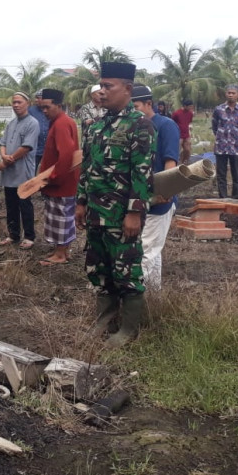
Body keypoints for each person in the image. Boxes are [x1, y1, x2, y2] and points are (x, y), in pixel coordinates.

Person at [75, 62, 154, 348]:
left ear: (128, 89)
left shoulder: (140, 125)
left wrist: (134, 212)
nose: (102, 91)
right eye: (101, 86)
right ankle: (105, 321)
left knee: (126, 271)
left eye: (109, 86)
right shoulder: (96, 126)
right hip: (96, 213)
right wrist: (81, 202)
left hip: (122, 216)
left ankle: (129, 329)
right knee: (99, 269)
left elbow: (141, 172)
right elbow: (87, 168)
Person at [132, 85, 179, 291]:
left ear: (148, 104)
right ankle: (153, 295)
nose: (132, 112)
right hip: (140, 198)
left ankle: (140, 301)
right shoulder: (135, 125)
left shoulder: (165, 125)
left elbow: (170, 162)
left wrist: (165, 192)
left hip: (160, 199)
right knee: (151, 249)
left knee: (147, 250)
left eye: (136, 106)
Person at [37, 88, 80, 265]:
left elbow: (66, 155)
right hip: (63, 181)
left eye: (47, 107)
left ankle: (60, 254)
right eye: (42, 108)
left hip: (61, 183)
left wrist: (52, 178)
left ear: (59, 105)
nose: (44, 111)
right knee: (64, 217)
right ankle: (64, 251)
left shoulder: (62, 123)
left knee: (60, 218)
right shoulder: (61, 121)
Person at [0, 92, 39, 249]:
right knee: (11, 204)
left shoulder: (32, 123)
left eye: (19, 102)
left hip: (24, 172)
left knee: (25, 204)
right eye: (14, 102)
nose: (16, 105)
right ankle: (13, 235)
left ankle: (29, 236)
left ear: (27, 103)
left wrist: (8, 161)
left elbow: (26, 147)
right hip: (10, 173)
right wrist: (3, 156)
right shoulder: (11, 124)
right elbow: (2, 143)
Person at [212, 85, 238, 199]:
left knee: (237, 176)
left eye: (233, 93)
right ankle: (223, 199)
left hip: (237, 148)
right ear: (226, 94)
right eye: (229, 92)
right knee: (221, 176)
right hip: (221, 147)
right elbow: (214, 126)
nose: (231, 95)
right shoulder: (218, 109)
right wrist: (221, 137)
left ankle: (236, 198)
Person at [28, 89, 49, 171]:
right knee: (32, 170)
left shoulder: (50, 110)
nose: (36, 100)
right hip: (35, 148)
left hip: (48, 148)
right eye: (35, 98)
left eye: (38, 98)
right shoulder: (31, 111)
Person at [171, 99, 195, 164]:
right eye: (189, 106)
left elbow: (189, 122)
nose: (190, 108)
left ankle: (184, 161)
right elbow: (172, 122)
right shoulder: (177, 113)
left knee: (187, 150)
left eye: (191, 106)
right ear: (184, 106)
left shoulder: (190, 114)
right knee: (177, 150)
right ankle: (176, 162)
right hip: (178, 134)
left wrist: (190, 129)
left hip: (186, 134)